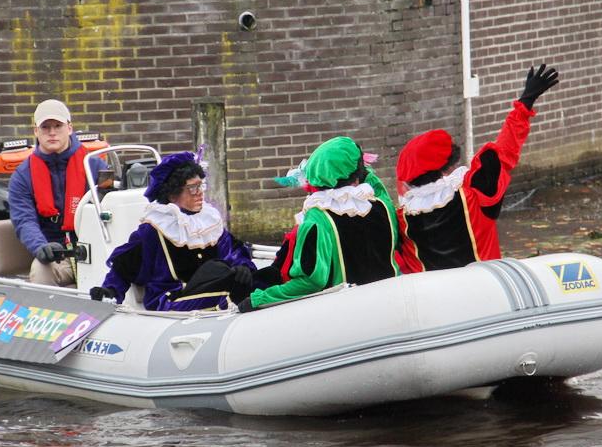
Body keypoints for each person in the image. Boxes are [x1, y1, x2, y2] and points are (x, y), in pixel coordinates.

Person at [394, 64, 560, 272]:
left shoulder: (402, 220)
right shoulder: (474, 197)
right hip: (487, 287)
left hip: (435, 293)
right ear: (446, 169)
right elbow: (505, 151)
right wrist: (526, 102)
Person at [236, 136, 399, 312]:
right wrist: (355, 162)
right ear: (357, 176)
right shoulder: (382, 205)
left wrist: (260, 299)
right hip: (391, 305)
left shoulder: (317, 219)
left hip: (349, 312)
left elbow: (312, 281)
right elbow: (375, 183)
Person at [94, 151, 256, 311]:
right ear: (172, 194)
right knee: (228, 287)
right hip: (173, 299)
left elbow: (233, 251)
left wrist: (243, 267)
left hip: (212, 288)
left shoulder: (209, 221)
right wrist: (110, 290)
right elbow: (124, 266)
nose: (200, 192)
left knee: (263, 279)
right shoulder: (155, 228)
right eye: (192, 188)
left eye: (200, 185)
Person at [7, 99, 108, 286]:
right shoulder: (22, 176)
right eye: (45, 127)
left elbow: (112, 208)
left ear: (69, 128)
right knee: (41, 270)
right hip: (58, 254)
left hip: (97, 249)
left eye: (58, 126)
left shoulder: (95, 166)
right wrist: (41, 247)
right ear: (36, 131)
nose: (52, 132)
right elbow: (24, 220)